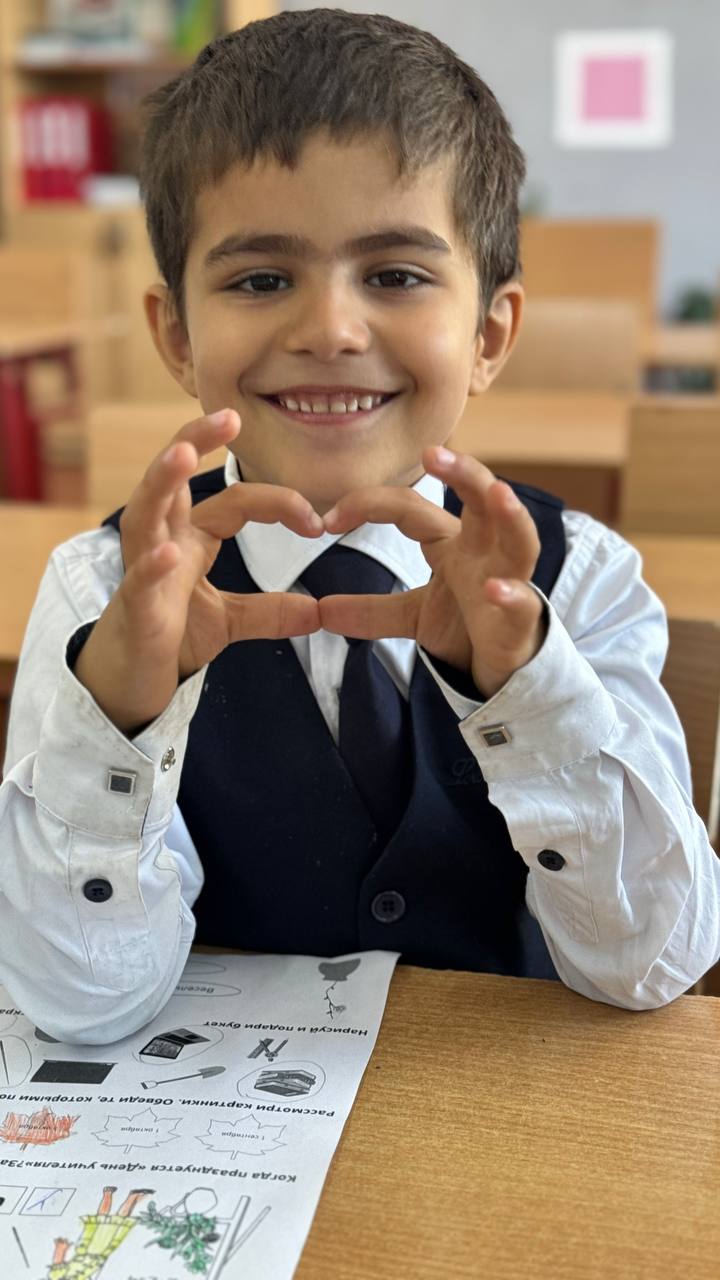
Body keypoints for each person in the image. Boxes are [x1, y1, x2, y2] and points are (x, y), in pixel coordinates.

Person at [0, 10, 718, 1044]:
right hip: (223, 1112)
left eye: (395, 275)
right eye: (261, 279)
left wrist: (527, 687)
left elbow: (653, 964)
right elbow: (80, 1002)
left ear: (488, 335)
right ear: (177, 335)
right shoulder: (100, 593)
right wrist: (116, 715)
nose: (331, 329)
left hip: (506, 1108)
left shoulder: (581, 579)